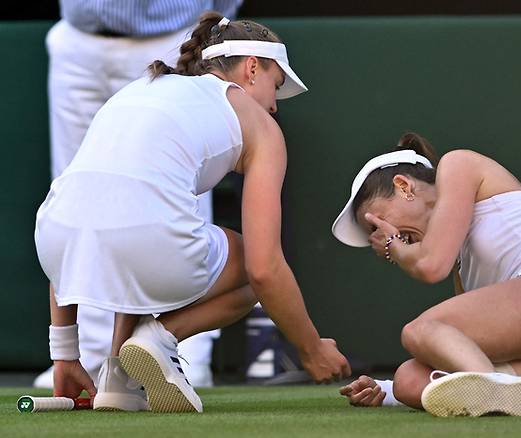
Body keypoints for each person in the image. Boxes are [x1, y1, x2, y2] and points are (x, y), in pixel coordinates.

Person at [35, 12, 351, 413]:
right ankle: (160, 338)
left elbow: (81, 220)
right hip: (144, 248)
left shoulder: (140, 89)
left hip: (55, 243)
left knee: (132, 238)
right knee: (254, 268)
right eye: (277, 86)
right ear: (252, 69)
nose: (273, 107)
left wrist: (64, 353)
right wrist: (311, 350)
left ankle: (119, 378)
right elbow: (264, 268)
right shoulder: (262, 128)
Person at [333, 133, 521, 416]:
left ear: (403, 186)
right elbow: (460, 351)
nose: (381, 237)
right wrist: (386, 391)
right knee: (409, 379)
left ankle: (496, 393)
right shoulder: (462, 264)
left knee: (420, 330)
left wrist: (393, 246)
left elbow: (431, 266)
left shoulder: (458, 164)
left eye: (377, 223)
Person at [36, 0, 245, 390]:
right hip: (77, 35)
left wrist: (205, 24)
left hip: (169, 33)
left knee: (179, 197)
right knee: (78, 193)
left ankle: (181, 353)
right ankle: (97, 359)